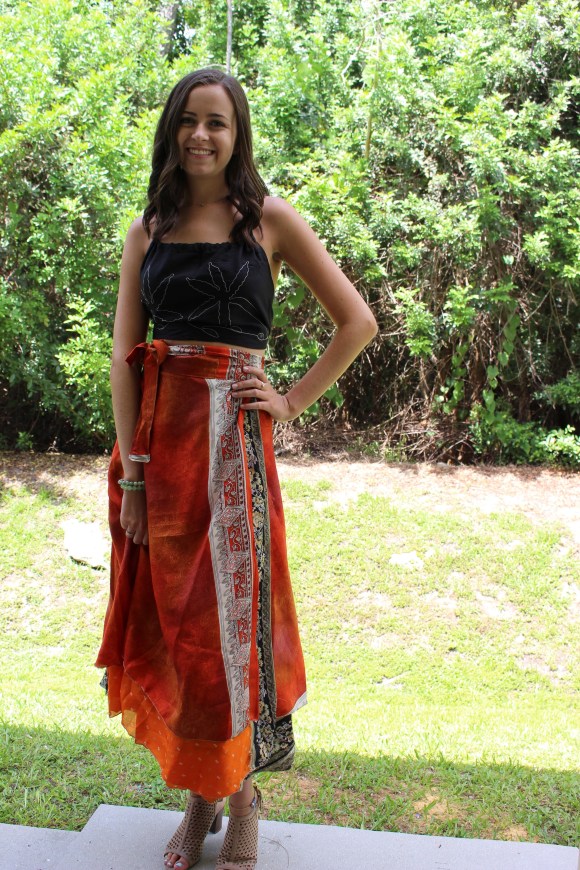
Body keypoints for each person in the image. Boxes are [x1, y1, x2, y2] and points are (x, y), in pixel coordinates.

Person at [95, 67, 377, 870]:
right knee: (176, 635)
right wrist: (134, 475)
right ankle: (201, 793)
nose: (201, 135)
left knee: (231, 635)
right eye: (189, 120)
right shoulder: (148, 229)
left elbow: (356, 322)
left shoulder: (269, 220)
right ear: (172, 129)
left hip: (233, 453)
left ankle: (237, 795)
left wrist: (288, 401)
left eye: (217, 122)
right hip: (158, 452)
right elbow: (122, 356)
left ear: (236, 133)